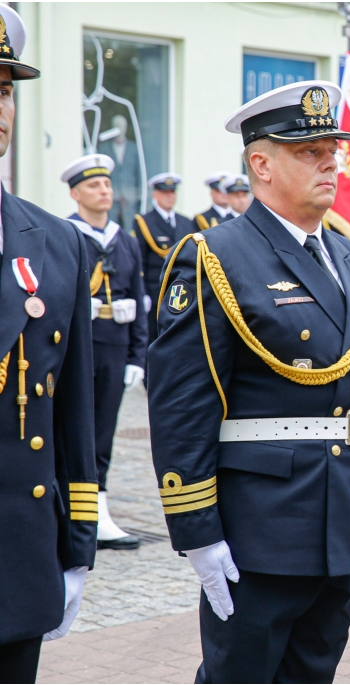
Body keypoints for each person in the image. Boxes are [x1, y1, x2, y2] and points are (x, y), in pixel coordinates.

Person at [148, 80, 350, 683]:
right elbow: (182, 405)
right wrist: (197, 531)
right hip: (259, 528)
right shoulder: (215, 256)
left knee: (313, 674)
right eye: (309, 151)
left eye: (332, 148)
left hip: (340, 519)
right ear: (261, 163)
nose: (331, 161)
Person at [0, 8, 98, 678]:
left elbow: (74, 412)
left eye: (5, 87)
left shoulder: (57, 244)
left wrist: (78, 547)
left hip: (16, 562)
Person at [62, 154, 148, 551]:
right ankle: (70, 512)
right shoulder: (66, 235)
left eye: (108, 185)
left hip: (114, 348)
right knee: (72, 430)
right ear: (76, 193)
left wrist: (137, 357)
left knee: (104, 432)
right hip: (77, 350)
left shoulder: (125, 240)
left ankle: (98, 511)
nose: (104, 192)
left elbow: (139, 300)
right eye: (95, 186)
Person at [133, 173, 190, 343]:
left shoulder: (186, 222)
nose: (169, 196)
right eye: (165, 192)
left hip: (181, 288)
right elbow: (140, 260)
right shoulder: (144, 221)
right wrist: (142, 292)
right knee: (154, 336)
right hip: (155, 289)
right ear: (155, 194)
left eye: (172, 192)